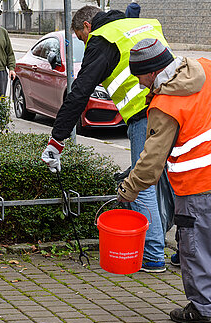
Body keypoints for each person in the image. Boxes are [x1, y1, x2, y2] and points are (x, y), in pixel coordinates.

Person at [41, 6, 170, 272]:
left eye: (81, 37)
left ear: (87, 26)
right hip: (176, 110)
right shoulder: (142, 25)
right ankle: (186, 250)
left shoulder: (103, 39)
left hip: (144, 116)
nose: (84, 44)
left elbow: (79, 93)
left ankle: (154, 255)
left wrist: (56, 140)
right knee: (176, 180)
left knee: (141, 183)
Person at [118, 38, 211, 323]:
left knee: (195, 249)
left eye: (138, 77)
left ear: (151, 73)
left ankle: (204, 309)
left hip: (198, 186)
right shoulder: (207, 69)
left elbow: (150, 164)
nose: (138, 85)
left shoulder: (166, 104)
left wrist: (128, 189)